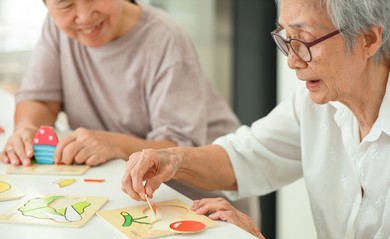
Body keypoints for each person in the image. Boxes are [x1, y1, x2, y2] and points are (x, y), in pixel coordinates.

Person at [121, 0, 390, 239]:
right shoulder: (315, 103)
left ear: (368, 38)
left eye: (305, 39)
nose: (293, 61)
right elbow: (247, 156)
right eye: (287, 38)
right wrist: (174, 160)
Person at [0, 0, 260, 222]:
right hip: (127, 195)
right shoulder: (57, 29)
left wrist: (113, 144)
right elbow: (41, 99)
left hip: (199, 199)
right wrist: (27, 129)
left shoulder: (164, 36)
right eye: (66, 5)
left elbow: (179, 150)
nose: (84, 16)